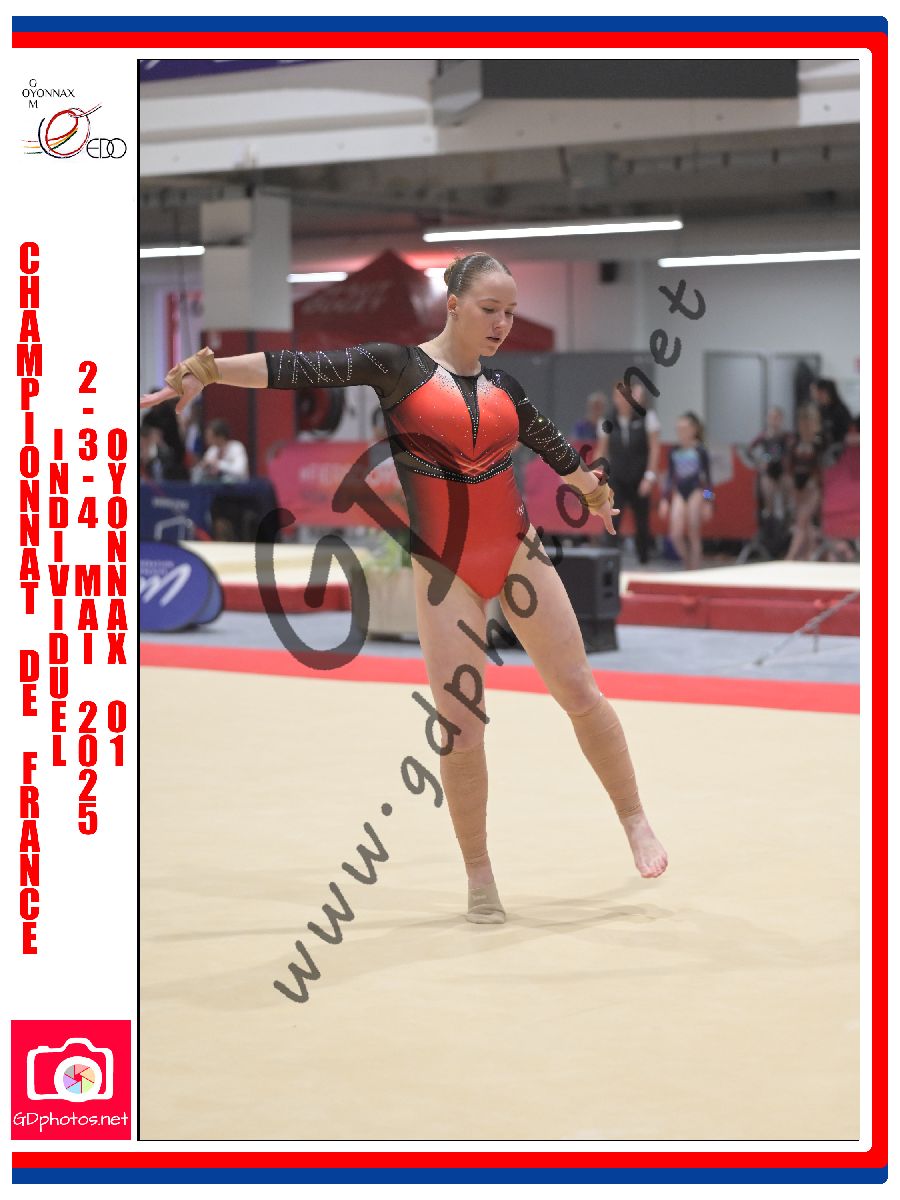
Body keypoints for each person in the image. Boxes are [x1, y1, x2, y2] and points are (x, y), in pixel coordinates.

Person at [141, 251, 668, 923]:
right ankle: (479, 874)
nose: (502, 324)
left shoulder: (507, 387)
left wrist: (593, 492)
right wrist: (211, 369)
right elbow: (297, 368)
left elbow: (557, 451)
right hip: (444, 571)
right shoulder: (397, 367)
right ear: (453, 305)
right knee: (461, 728)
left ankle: (634, 818)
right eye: (490, 309)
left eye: (510, 313)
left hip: (516, 553)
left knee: (579, 691)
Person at [596, 379, 661, 564]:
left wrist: (650, 476)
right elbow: (601, 449)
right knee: (612, 518)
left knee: (642, 522)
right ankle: (608, 562)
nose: (622, 400)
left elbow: (654, 448)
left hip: (640, 476)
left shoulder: (647, 417)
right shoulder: (607, 419)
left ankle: (644, 560)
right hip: (617, 476)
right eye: (618, 396)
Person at [658, 412, 713, 571]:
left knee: (694, 532)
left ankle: (695, 569)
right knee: (675, 534)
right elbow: (670, 477)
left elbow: (708, 479)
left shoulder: (700, 450)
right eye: (678, 429)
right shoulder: (674, 451)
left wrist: (708, 501)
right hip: (679, 492)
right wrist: (664, 499)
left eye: (684, 429)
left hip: (696, 491)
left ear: (693, 430)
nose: (681, 432)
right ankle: (687, 562)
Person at [785, 403, 825, 561]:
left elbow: (821, 467)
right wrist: (792, 484)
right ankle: (809, 555)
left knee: (801, 521)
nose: (805, 425)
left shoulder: (819, 444)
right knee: (805, 523)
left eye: (808, 421)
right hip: (798, 486)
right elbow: (789, 466)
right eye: (802, 422)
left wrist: (813, 483)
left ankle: (790, 557)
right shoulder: (795, 444)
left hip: (814, 488)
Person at [749, 406, 792, 522]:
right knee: (769, 502)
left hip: (783, 471)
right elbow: (750, 449)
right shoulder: (763, 436)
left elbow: (790, 452)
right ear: (767, 419)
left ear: (781, 419)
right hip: (768, 472)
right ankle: (769, 522)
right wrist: (761, 461)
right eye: (771, 417)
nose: (774, 420)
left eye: (777, 417)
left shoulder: (786, 436)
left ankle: (785, 522)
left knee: (786, 503)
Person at [192, 419, 250, 483]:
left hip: (238, 486)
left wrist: (218, 464)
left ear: (220, 437)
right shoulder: (212, 450)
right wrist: (203, 467)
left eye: (210, 436)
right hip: (216, 486)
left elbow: (240, 471)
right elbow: (198, 473)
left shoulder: (237, 447)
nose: (207, 439)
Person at [811, 378, 853, 453]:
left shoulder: (840, 410)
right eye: (818, 393)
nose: (818, 397)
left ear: (830, 393)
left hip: (839, 449)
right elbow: (818, 432)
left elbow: (848, 435)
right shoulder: (821, 409)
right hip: (824, 447)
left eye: (821, 393)